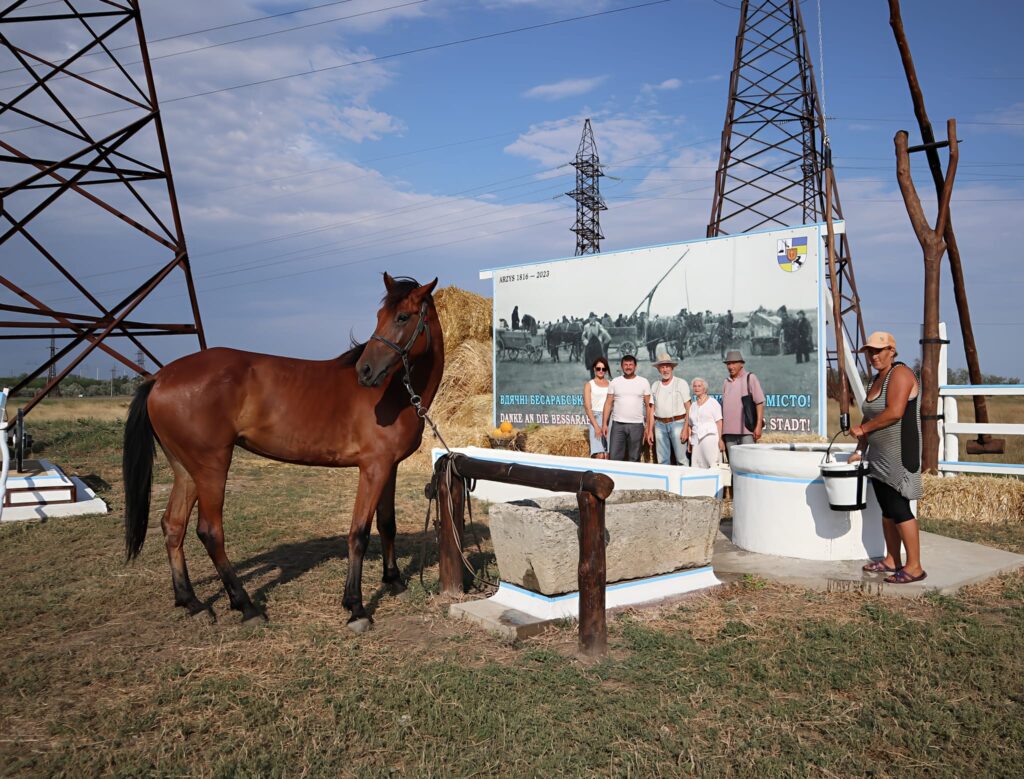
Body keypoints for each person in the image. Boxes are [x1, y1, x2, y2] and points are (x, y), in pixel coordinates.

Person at [849, 331, 925, 584]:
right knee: (886, 509)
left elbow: (895, 412)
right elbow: (869, 416)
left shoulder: (900, 374)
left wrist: (864, 430)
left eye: (879, 351)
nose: (874, 356)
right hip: (879, 454)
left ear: (892, 350)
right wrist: (860, 448)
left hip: (900, 452)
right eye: (870, 352)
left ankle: (914, 567)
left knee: (899, 507)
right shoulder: (875, 380)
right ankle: (893, 559)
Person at [602, 354, 652, 462]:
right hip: (618, 425)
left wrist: (648, 426)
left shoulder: (643, 382)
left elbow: (649, 406)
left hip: (636, 426)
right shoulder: (615, 382)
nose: (628, 367)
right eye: (625, 365)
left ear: (635, 366)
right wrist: (604, 424)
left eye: (631, 365)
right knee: (615, 457)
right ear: (621, 366)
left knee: (634, 458)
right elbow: (608, 403)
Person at [647, 352, 691, 465]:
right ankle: (666, 482)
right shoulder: (655, 385)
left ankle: (682, 482)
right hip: (660, 425)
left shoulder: (681, 383)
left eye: (667, 366)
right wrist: (650, 431)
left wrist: (686, 428)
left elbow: (688, 407)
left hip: (677, 423)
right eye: (662, 367)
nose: (665, 370)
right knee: (662, 460)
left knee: (682, 460)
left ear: (672, 368)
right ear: (658, 369)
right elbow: (652, 410)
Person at [721, 350, 764, 460]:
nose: (730, 366)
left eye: (734, 363)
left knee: (749, 462)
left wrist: (758, 425)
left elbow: (759, 402)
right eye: (728, 364)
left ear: (741, 364)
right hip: (728, 433)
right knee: (733, 465)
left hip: (746, 431)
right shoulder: (726, 382)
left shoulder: (750, 378)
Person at [682, 377, 723, 469]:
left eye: (699, 386)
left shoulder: (713, 403)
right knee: (697, 466)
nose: (697, 388)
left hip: (710, 439)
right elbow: (690, 425)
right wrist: (690, 442)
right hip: (696, 441)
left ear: (704, 388)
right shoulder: (693, 405)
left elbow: (719, 422)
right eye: (695, 386)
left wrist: (720, 439)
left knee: (712, 464)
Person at [583, 357, 611, 459]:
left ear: (606, 370)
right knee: (599, 455)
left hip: (609, 419)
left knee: (607, 454)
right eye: (598, 368)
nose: (601, 371)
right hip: (596, 417)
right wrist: (596, 426)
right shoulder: (589, 385)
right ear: (594, 369)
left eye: (603, 369)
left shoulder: (610, 384)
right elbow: (587, 407)